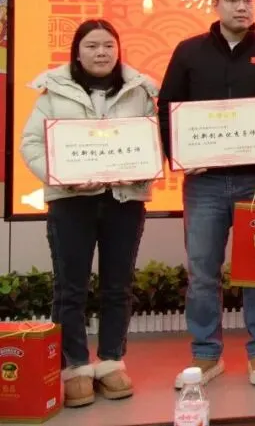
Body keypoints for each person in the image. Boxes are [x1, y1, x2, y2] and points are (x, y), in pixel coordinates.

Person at [158, 0, 255, 388]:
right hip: (204, 184)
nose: (242, 7)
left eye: (248, 0)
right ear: (215, 3)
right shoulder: (189, 52)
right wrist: (180, 154)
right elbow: (168, 107)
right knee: (203, 271)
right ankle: (206, 354)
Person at [19, 20, 157, 408]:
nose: (101, 53)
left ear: (118, 49)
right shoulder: (53, 91)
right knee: (70, 287)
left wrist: (140, 170)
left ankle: (112, 360)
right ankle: (75, 366)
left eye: (108, 45)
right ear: (77, 52)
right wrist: (60, 175)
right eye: (92, 46)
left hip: (123, 200)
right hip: (70, 202)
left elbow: (154, 140)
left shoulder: (139, 90)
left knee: (118, 285)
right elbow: (31, 143)